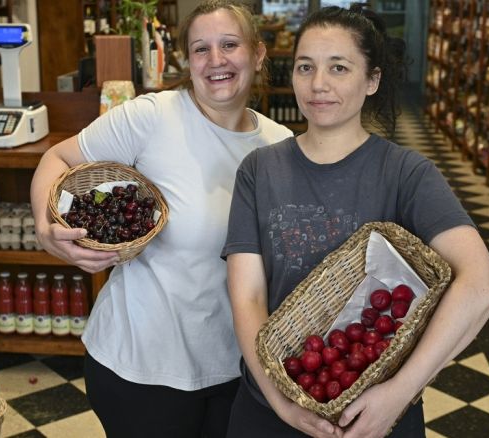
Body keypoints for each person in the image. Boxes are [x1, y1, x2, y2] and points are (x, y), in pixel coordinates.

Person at [222, 6, 489, 438]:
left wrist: (398, 395)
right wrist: (282, 406)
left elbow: (481, 285)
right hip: (269, 408)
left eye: (339, 67)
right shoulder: (259, 171)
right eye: (305, 67)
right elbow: (248, 297)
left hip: (374, 414)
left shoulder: (407, 173)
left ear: (372, 80)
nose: (319, 84)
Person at [29, 1, 293, 436]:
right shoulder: (152, 117)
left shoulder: (280, 145)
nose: (216, 61)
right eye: (200, 49)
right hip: (141, 368)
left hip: (239, 367)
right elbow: (57, 158)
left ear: (258, 54)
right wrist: (46, 230)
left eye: (229, 45)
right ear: (187, 61)